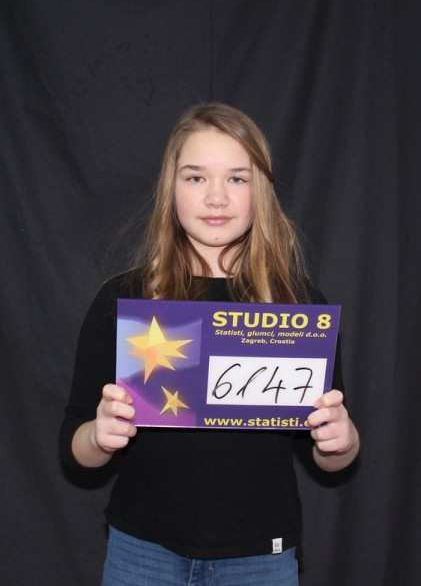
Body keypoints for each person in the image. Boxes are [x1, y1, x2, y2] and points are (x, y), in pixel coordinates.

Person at [60, 102, 360, 586]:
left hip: (261, 559)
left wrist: (342, 440)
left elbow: (328, 452)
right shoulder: (124, 300)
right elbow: (74, 445)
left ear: (261, 192)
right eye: (196, 177)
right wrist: (98, 435)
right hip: (142, 554)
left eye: (237, 178)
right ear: (171, 189)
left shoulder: (297, 306)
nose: (216, 197)